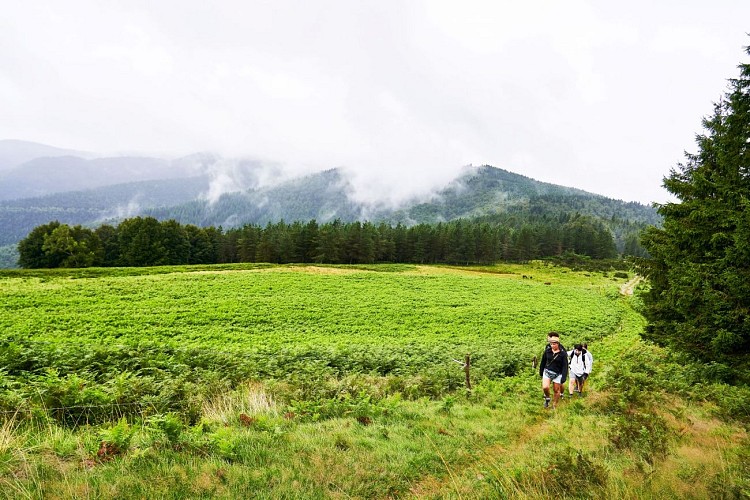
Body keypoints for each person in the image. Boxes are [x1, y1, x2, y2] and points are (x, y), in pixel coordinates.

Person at [539, 332, 568, 408]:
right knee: (545, 387)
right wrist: (541, 371)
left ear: (558, 344)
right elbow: (543, 361)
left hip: (558, 373)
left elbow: (565, 366)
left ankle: (554, 405)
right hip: (547, 371)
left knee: (556, 390)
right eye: (551, 344)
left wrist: (564, 377)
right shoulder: (547, 351)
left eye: (554, 344)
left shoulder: (563, 353)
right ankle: (547, 398)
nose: (552, 345)